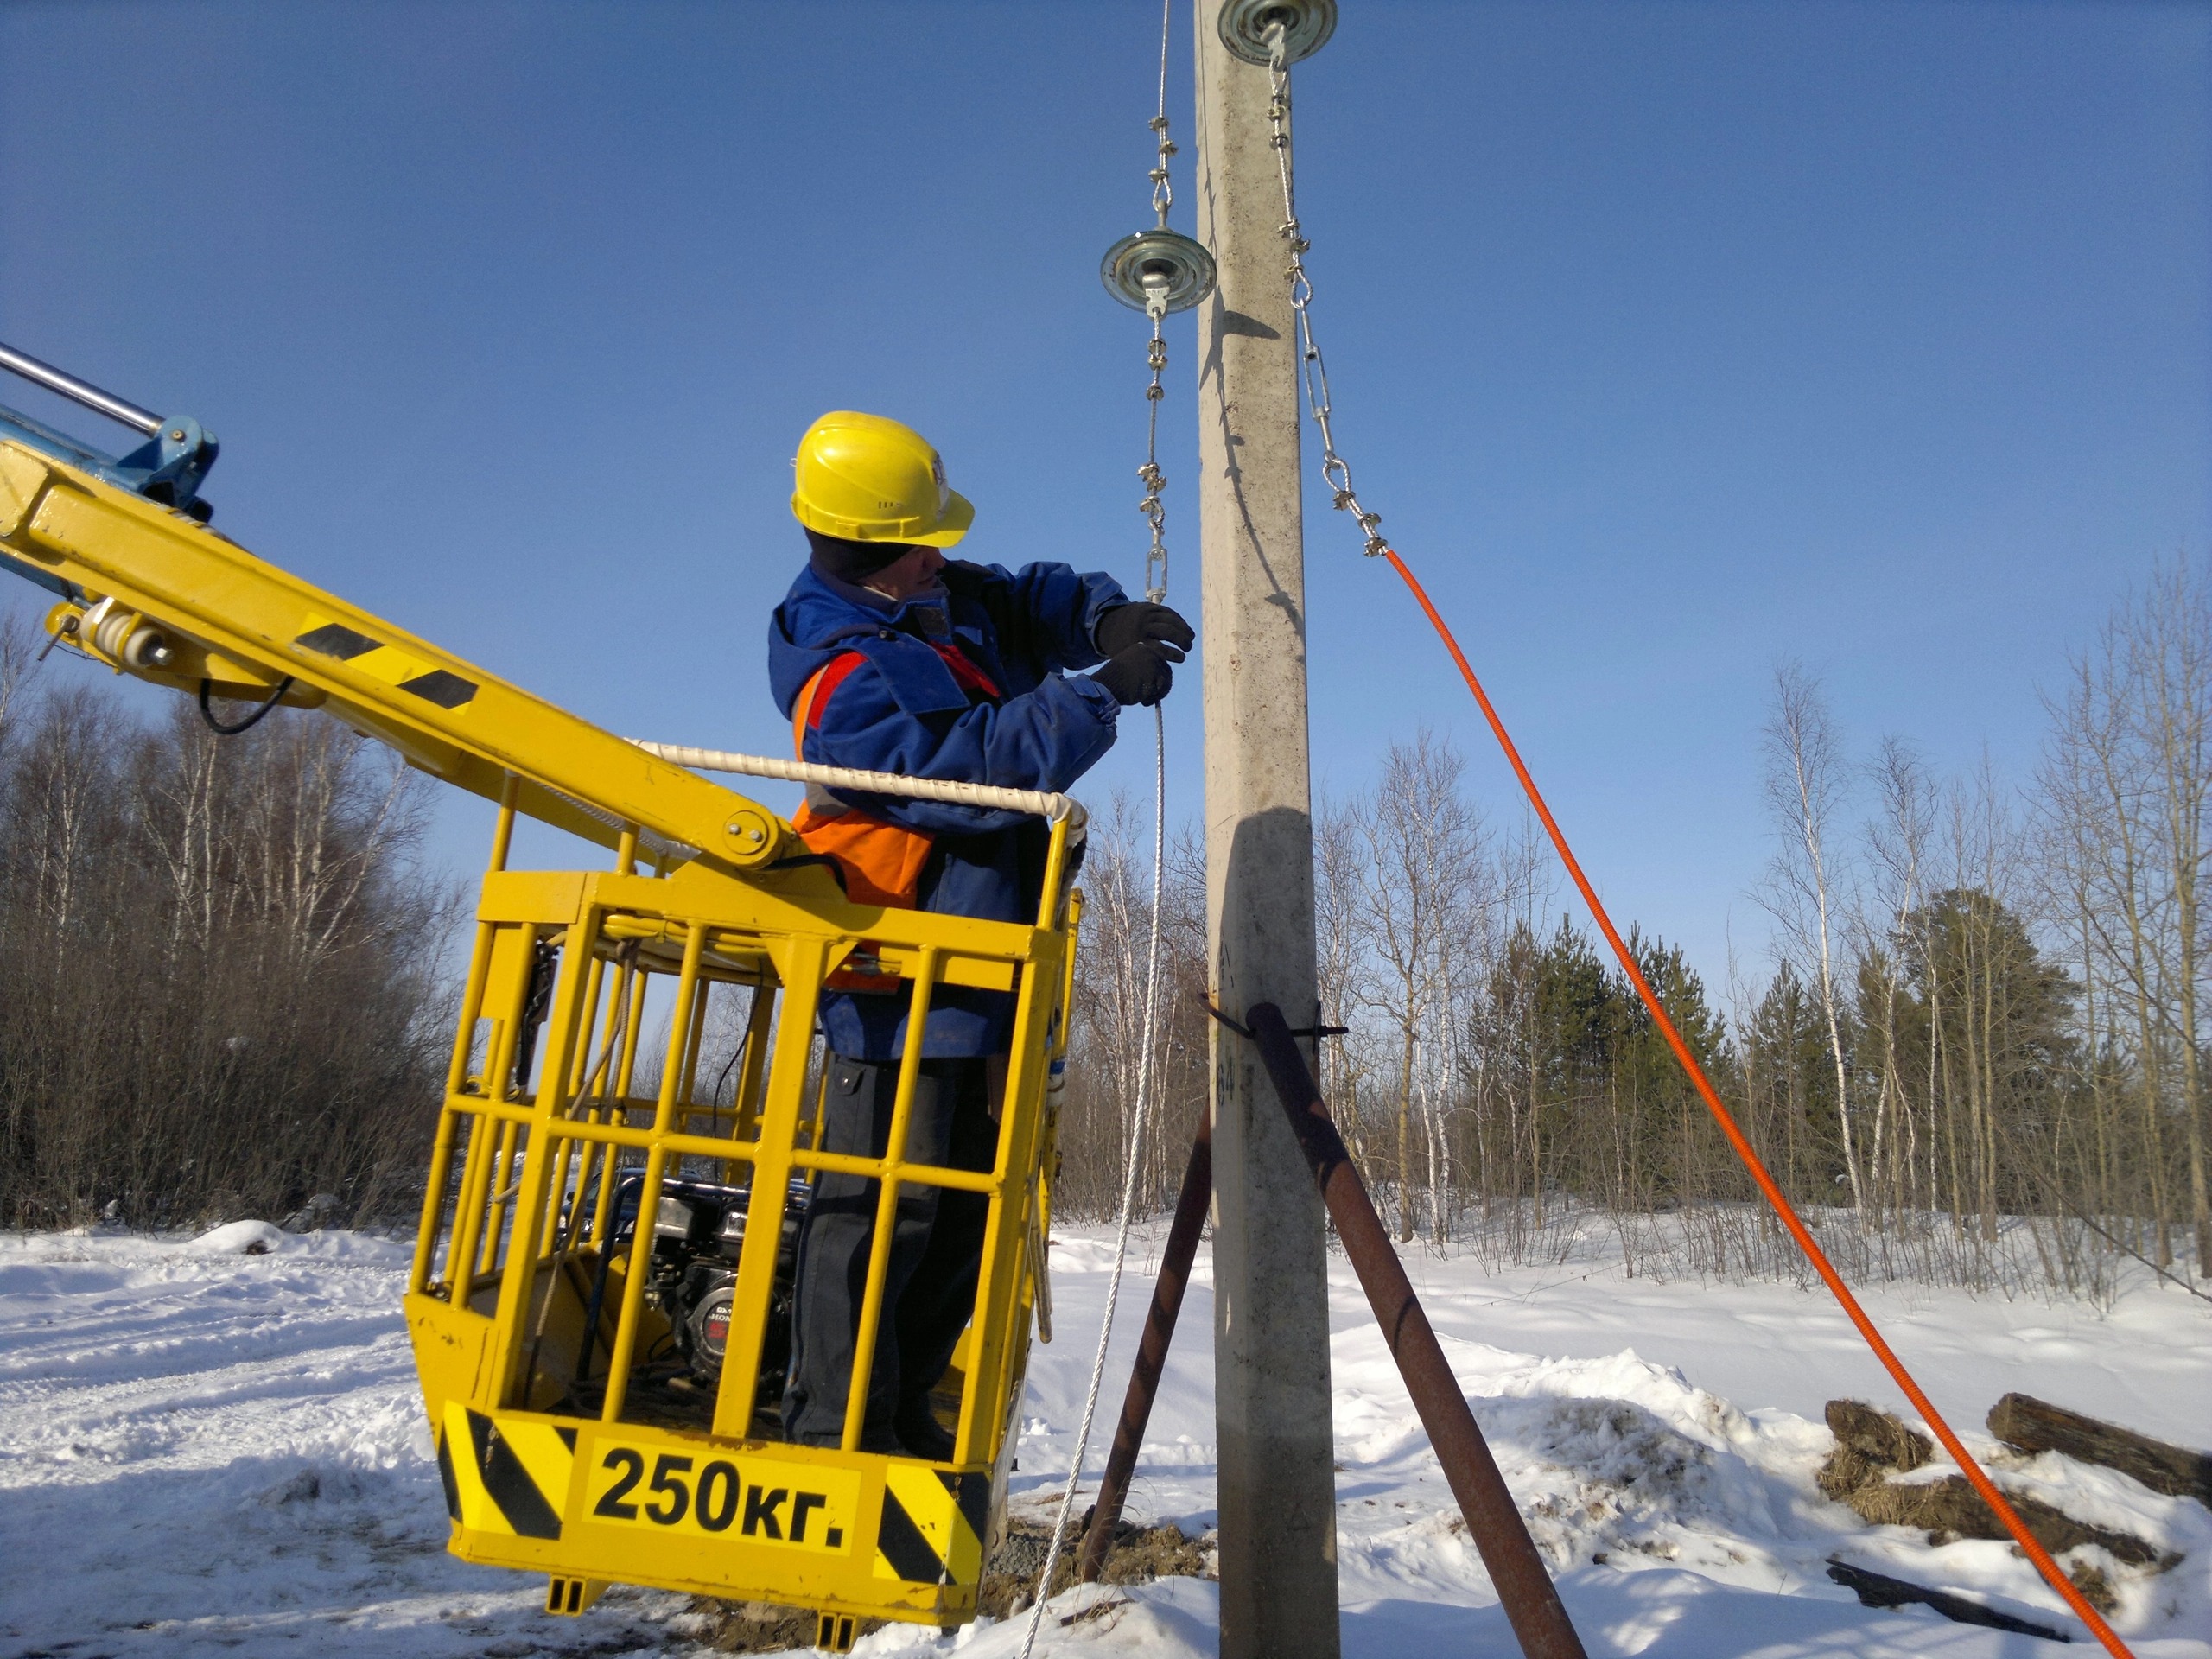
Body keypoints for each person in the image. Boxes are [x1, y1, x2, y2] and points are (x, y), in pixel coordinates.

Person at [768, 410, 1192, 1458]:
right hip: (897, 982)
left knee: (965, 1218)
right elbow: (961, 777)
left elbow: (1025, 594)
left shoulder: (929, 599)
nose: (944, 556)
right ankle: (832, 1436)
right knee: (881, 1210)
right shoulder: (841, 675)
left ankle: (902, 1416)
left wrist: (1101, 623)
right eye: (927, 540)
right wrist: (1093, 701)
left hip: (989, 969)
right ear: (878, 545)